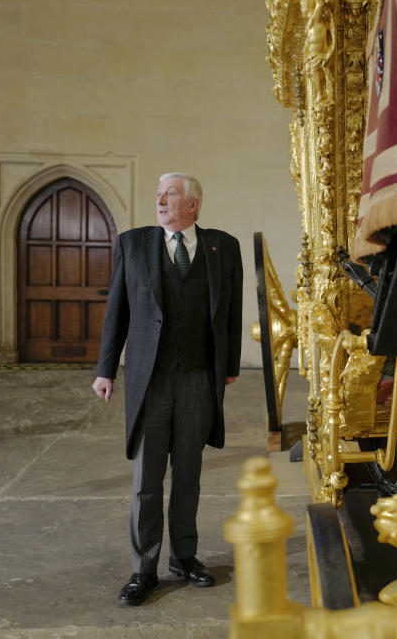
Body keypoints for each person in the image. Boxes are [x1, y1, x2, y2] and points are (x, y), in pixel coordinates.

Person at [92, 172, 243, 606]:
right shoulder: (133, 243)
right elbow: (116, 312)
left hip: (198, 378)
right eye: (158, 194)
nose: (160, 201)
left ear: (193, 204)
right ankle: (144, 569)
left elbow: (231, 310)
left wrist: (228, 366)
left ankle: (184, 557)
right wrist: (106, 369)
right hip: (150, 382)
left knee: (189, 475)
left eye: (170, 194)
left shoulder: (222, 247)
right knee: (146, 478)